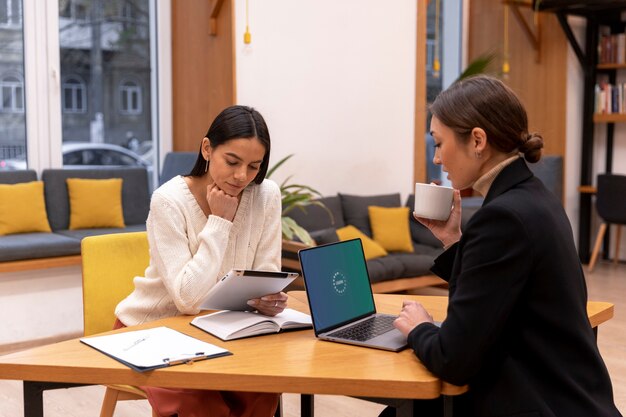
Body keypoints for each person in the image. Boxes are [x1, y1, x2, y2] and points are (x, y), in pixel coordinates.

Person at [384, 75, 622, 416]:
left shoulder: (503, 217)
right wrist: (453, 239)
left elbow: (453, 360)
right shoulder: (534, 198)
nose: (437, 158)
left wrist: (418, 327)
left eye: (439, 143)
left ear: (478, 140)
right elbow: (498, 292)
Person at [115, 105, 285, 417]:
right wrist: (220, 223)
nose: (241, 176)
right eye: (232, 162)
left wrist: (267, 297)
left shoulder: (266, 194)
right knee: (199, 400)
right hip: (155, 328)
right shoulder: (169, 201)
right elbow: (188, 299)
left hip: (226, 324)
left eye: (253, 166)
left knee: (260, 388)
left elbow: (265, 271)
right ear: (207, 149)